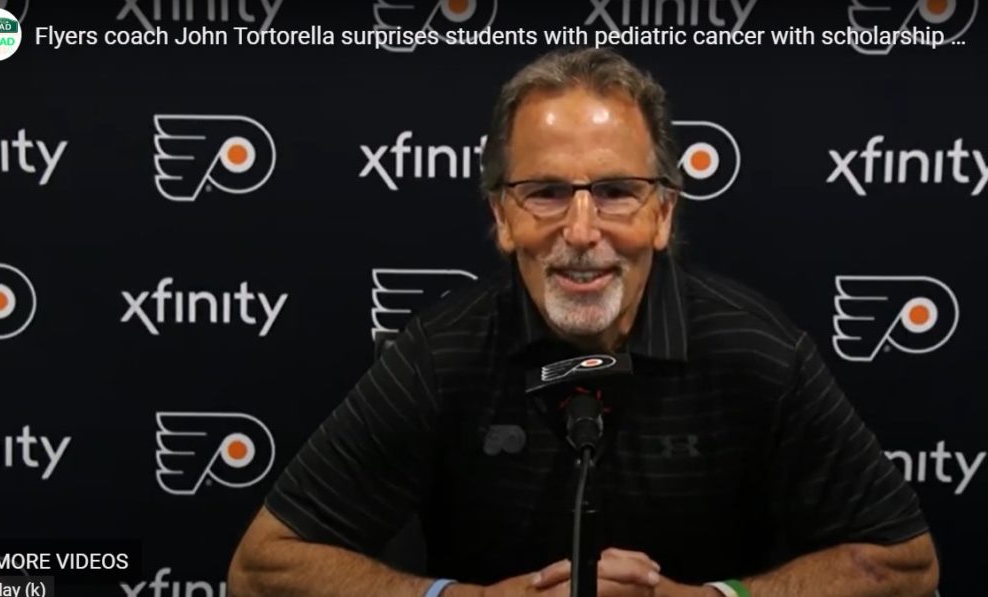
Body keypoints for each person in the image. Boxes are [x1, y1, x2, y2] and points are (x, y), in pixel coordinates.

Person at [227, 48, 940, 597]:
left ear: (663, 214)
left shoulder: (757, 352)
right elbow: (261, 568)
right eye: (544, 192)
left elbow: (906, 564)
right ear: (502, 217)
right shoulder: (439, 357)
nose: (580, 231)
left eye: (616, 192)